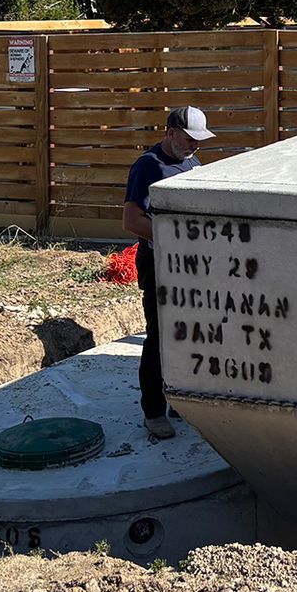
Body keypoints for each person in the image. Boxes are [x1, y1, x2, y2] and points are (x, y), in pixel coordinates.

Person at [121, 106, 215, 440]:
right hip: (159, 264)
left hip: (190, 267)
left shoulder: (193, 164)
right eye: (189, 139)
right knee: (160, 337)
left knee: (187, 334)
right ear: (171, 131)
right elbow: (132, 221)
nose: (194, 146)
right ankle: (153, 411)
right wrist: (174, 235)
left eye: (198, 141)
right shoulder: (148, 166)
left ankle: (179, 399)